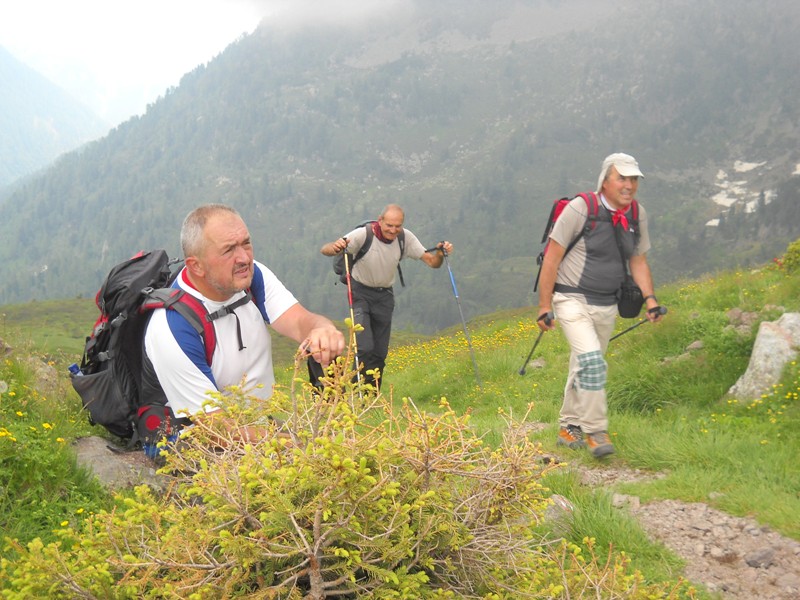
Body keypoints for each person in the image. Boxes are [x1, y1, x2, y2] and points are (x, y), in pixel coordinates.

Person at [142, 204, 345, 444]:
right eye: (228, 250)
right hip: (195, 438)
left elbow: (300, 321)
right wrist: (297, 446)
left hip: (254, 422)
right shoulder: (172, 328)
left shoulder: (252, 278)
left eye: (246, 243)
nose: (245, 258)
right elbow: (215, 429)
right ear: (196, 265)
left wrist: (321, 329)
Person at [536, 153, 663, 458]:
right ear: (605, 181)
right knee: (593, 362)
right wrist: (544, 305)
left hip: (608, 303)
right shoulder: (581, 209)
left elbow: (638, 260)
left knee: (584, 365)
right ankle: (596, 431)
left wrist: (650, 299)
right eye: (622, 178)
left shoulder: (637, 214)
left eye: (634, 179)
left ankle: (569, 427)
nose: (629, 185)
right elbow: (552, 257)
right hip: (571, 298)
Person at [320, 204, 453, 388]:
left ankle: (370, 398)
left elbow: (432, 262)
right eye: (389, 225)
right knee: (364, 348)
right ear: (380, 220)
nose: (393, 230)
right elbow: (325, 249)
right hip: (359, 293)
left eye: (397, 226)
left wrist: (439, 253)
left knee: (380, 353)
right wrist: (335, 247)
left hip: (385, 297)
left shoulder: (405, 238)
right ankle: (353, 391)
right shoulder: (363, 235)